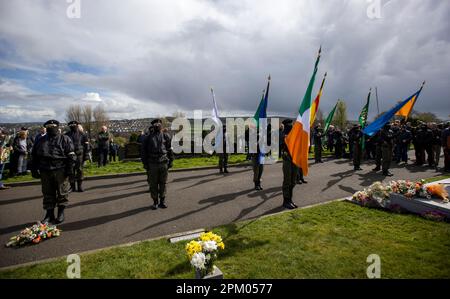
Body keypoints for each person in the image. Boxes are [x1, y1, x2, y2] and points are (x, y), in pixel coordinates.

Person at [31, 120, 76, 224]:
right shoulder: (40, 140)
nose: (51, 128)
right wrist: (34, 169)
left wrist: (69, 171)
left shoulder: (64, 139)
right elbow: (34, 156)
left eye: (53, 126)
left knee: (62, 192)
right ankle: (49, 214)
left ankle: (61, 213)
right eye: (49, 126)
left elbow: (71, 156)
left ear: (57, 127)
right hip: (45, 170)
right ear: (46, 128)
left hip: (60, 169)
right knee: (47, 193)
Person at [141, 119, 174, 210]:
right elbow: (143, 152)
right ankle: (155, 202)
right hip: (152, 164)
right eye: (155, 124)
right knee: (153, 184)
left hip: (163, 163)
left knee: (163, 183)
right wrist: (145, 164)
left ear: (161, 125)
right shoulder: (147, 138)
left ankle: (162, 201)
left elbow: (169, 149)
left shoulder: (166, 136)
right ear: (153, 126)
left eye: (159, 124)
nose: (157, 125)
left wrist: (171, 161)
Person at [65, 121, 89, 192]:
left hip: (79, 155)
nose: (73, 127)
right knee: (71, 171)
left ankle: (79, 186)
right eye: (71, 125)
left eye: (74, 125)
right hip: (70, 156)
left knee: (79, 170)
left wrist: (86, 155)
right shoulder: (66, 135)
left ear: (77, 125)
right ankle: (72, 187)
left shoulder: (82, 134)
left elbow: (86, 146)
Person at [280, 119, 298, 210]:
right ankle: (286, 201)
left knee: (293, 180)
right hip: (287, 159)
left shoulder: (294, 134)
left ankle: (290, 199)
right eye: (289, 125)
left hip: (294, 159)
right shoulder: (282, 134)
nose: (291, 127)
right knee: (287, 180)